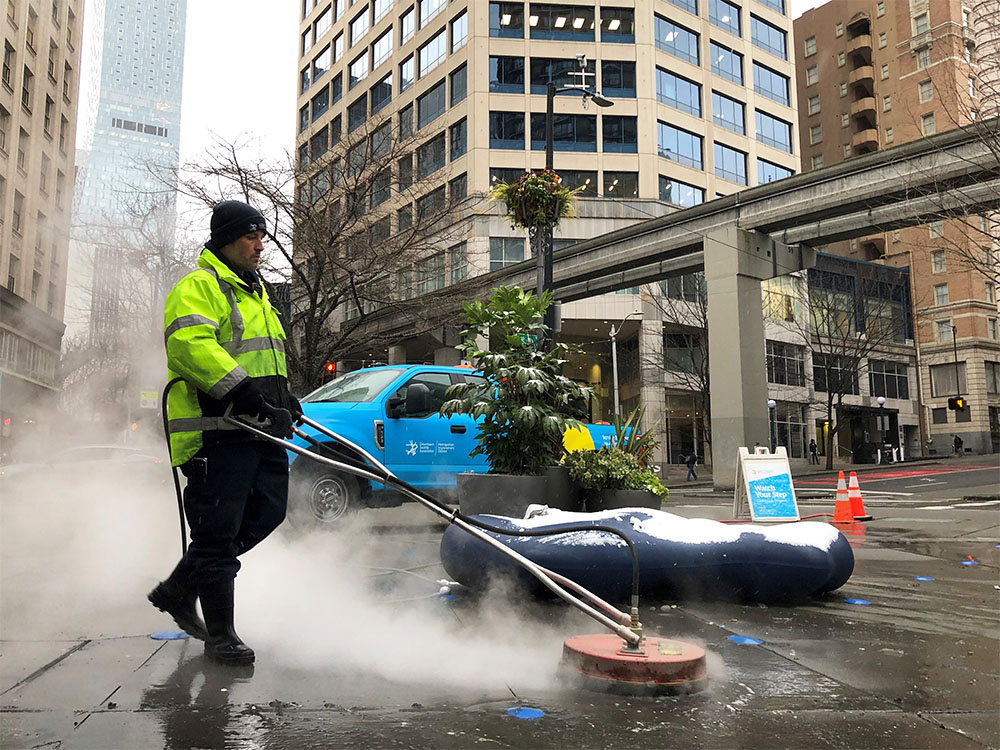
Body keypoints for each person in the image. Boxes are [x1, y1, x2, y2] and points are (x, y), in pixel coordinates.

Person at [150, 200, 301, 666]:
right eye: (252, 237)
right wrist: (245, 393)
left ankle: (181, 587)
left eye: (262, 237)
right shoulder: (198, 288)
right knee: (217, 533)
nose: (261, 246)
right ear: (226, 239)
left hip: (259, 432)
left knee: (269, 512)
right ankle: (221, 637)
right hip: (218, 434)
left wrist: (284, 397)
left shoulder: (257, 295)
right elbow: (191, 347)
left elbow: (266, 359)